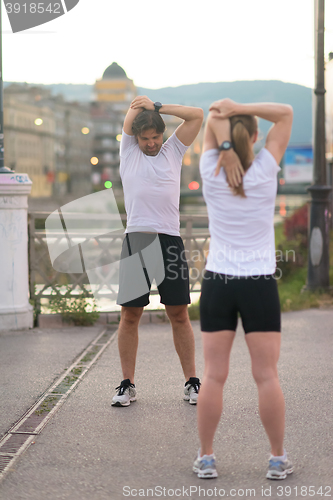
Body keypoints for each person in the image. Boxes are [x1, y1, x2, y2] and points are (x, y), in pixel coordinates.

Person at [193, 99, 294, 480]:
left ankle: (206, 458)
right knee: (266, 375)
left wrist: (222, 142)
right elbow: (285, 113)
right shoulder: (266, 168)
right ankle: (277, 458)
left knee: (214, 375)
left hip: (218, 281)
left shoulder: (210, 168)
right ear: (255, 136)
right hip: (259, 283)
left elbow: (212, 116)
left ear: (226, 139)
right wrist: (242, 105)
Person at [111, 96, 208, 407]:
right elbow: (129, 118)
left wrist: (158, 107)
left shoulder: (173, 151)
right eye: (145, 139)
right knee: (130, 316)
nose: (151, 144)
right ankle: (127, 384)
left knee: (179, 314)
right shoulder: (128, 151)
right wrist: (139, 107)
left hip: (170, 241)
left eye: (155, 137)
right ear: (136, 138)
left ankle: (192, 383)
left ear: (162, 136)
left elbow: (196, 115)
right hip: (137, 240)